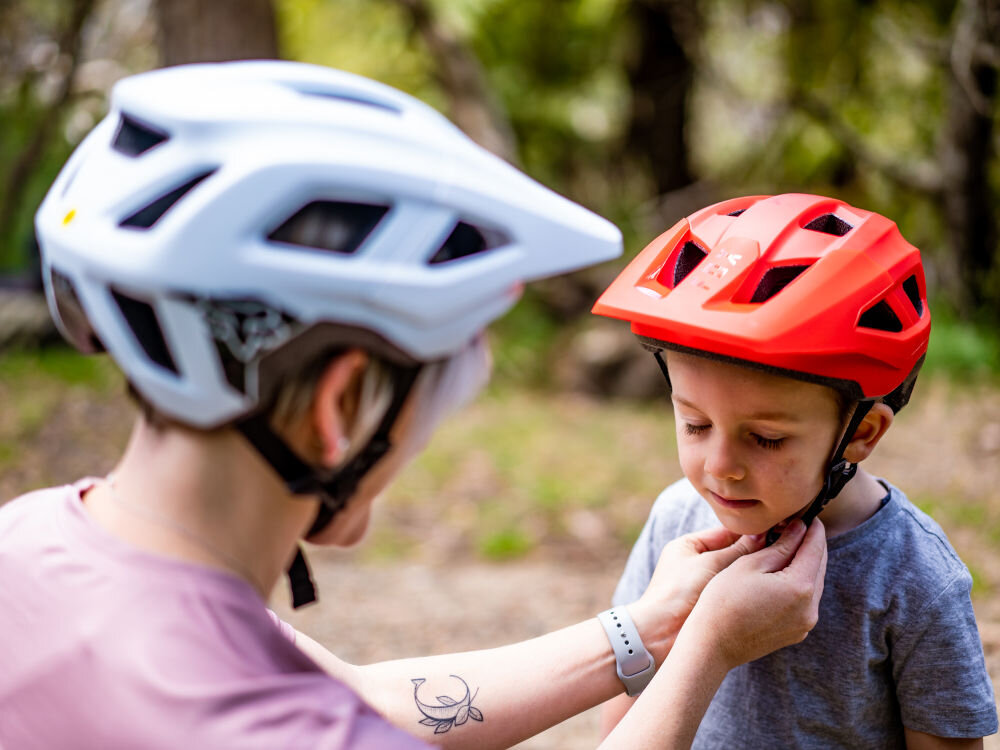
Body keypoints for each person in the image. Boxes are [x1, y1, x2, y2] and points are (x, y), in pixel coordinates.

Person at [0, 62, 826, 750]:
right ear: (340, 405)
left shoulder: (32, 541)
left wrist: (648, 629)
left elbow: (366, 696)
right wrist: (706, 650)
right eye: (438, 397)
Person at [594, 193, 998, 749]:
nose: (720, 467)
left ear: (862, 432)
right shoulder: (676, 523)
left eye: (766, 438)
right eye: (694, 424)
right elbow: (621, 723)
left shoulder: (913, 577)